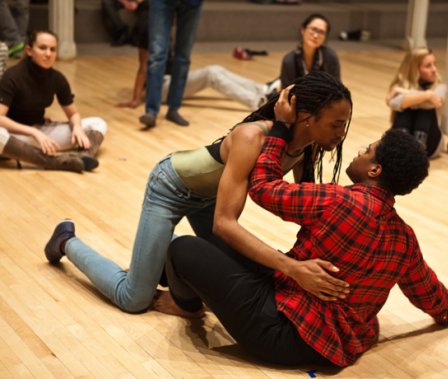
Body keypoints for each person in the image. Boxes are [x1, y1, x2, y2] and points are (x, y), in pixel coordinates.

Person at [156, 96, 448, 367]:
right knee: (224, 244)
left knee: (183, 247)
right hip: (339, 341)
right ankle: (179, 282)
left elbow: (263, 187)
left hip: (282, 334)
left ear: (374, 169)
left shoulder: (337, 200)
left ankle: (183, 304)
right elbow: (425, 289)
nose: (358, 150)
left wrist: (282, 130)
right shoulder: (404, 238)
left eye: (366, 150)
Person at [44, 71, 353, 314]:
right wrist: (290, 266)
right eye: (337, 125)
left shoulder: (306, 145)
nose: (341, 134)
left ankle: (161, 254)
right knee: (133, 298)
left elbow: (303, 209)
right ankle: (66, 241)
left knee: (255, 274)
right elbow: (224, 224)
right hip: (170, 188)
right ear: (306, 117)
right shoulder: (252, 137)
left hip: (211, 199)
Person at [117, 2, 279, 111]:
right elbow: (144, 66)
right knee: (211, 74)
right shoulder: (148, 28)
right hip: (161, 88)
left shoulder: (163, 25)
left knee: (214, 69)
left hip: (173, 83)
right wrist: (136, 99)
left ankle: (261, 89)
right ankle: (258, 102)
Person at [0, 30, 107, 173]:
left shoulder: (58, 78)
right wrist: (33, 132)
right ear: (29, 50)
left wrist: (77, 128)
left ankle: (84, 157)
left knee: (98, 123)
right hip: (13, 136)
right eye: (42, 48)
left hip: (41, 133)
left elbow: (73, 113)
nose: (48, 54)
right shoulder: (13, 76)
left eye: (52, 49)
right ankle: (55, 162)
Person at [138, 0, 203, 128]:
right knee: (157, 55)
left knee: (183, 56)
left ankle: (173, 109)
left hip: (192, 3)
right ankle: (151, 112)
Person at [386, 48, 446, 158]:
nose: (434, 69)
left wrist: (405, 94)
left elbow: (435, 102)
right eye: (428, 66)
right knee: (407, 108)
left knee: (424, 109)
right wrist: (428, 95)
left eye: (434, 64)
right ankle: (402, 147)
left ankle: (418, 149)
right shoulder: (402, 84)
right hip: (404, 135)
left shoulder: (440, 86)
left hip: (431, 143)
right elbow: (393, 103)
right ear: (415, 69)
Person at [280, 13, 340, 89]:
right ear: (302, 30)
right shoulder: (289, 60)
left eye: (321, 32)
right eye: (313, 29)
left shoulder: (331, 57)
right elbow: (285, 93)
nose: (316, 36)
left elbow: (338, 90)